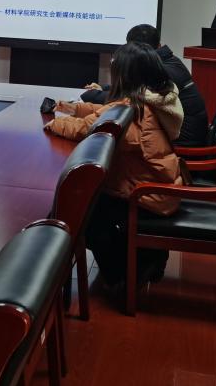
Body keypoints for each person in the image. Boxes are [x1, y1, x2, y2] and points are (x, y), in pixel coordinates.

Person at [46, 43, 185, 292]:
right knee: (84, 201)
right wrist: (72, 108)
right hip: (160, 189)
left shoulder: (133, 110)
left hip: (148, 196)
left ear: (125, 75)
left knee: (79, 209)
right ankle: (145, 261)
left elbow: (88, 128)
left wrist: (53, 123)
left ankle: (121, 277)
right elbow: (104, 111)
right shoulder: (151, 100)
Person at [81, 24, 208, 146]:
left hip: (184, 139)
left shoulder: (160, 71)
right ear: (159, 44)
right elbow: (132, 90)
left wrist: (93, 94)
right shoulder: (170, 60)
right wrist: (103, 88)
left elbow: (129, 97)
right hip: (190, 132)